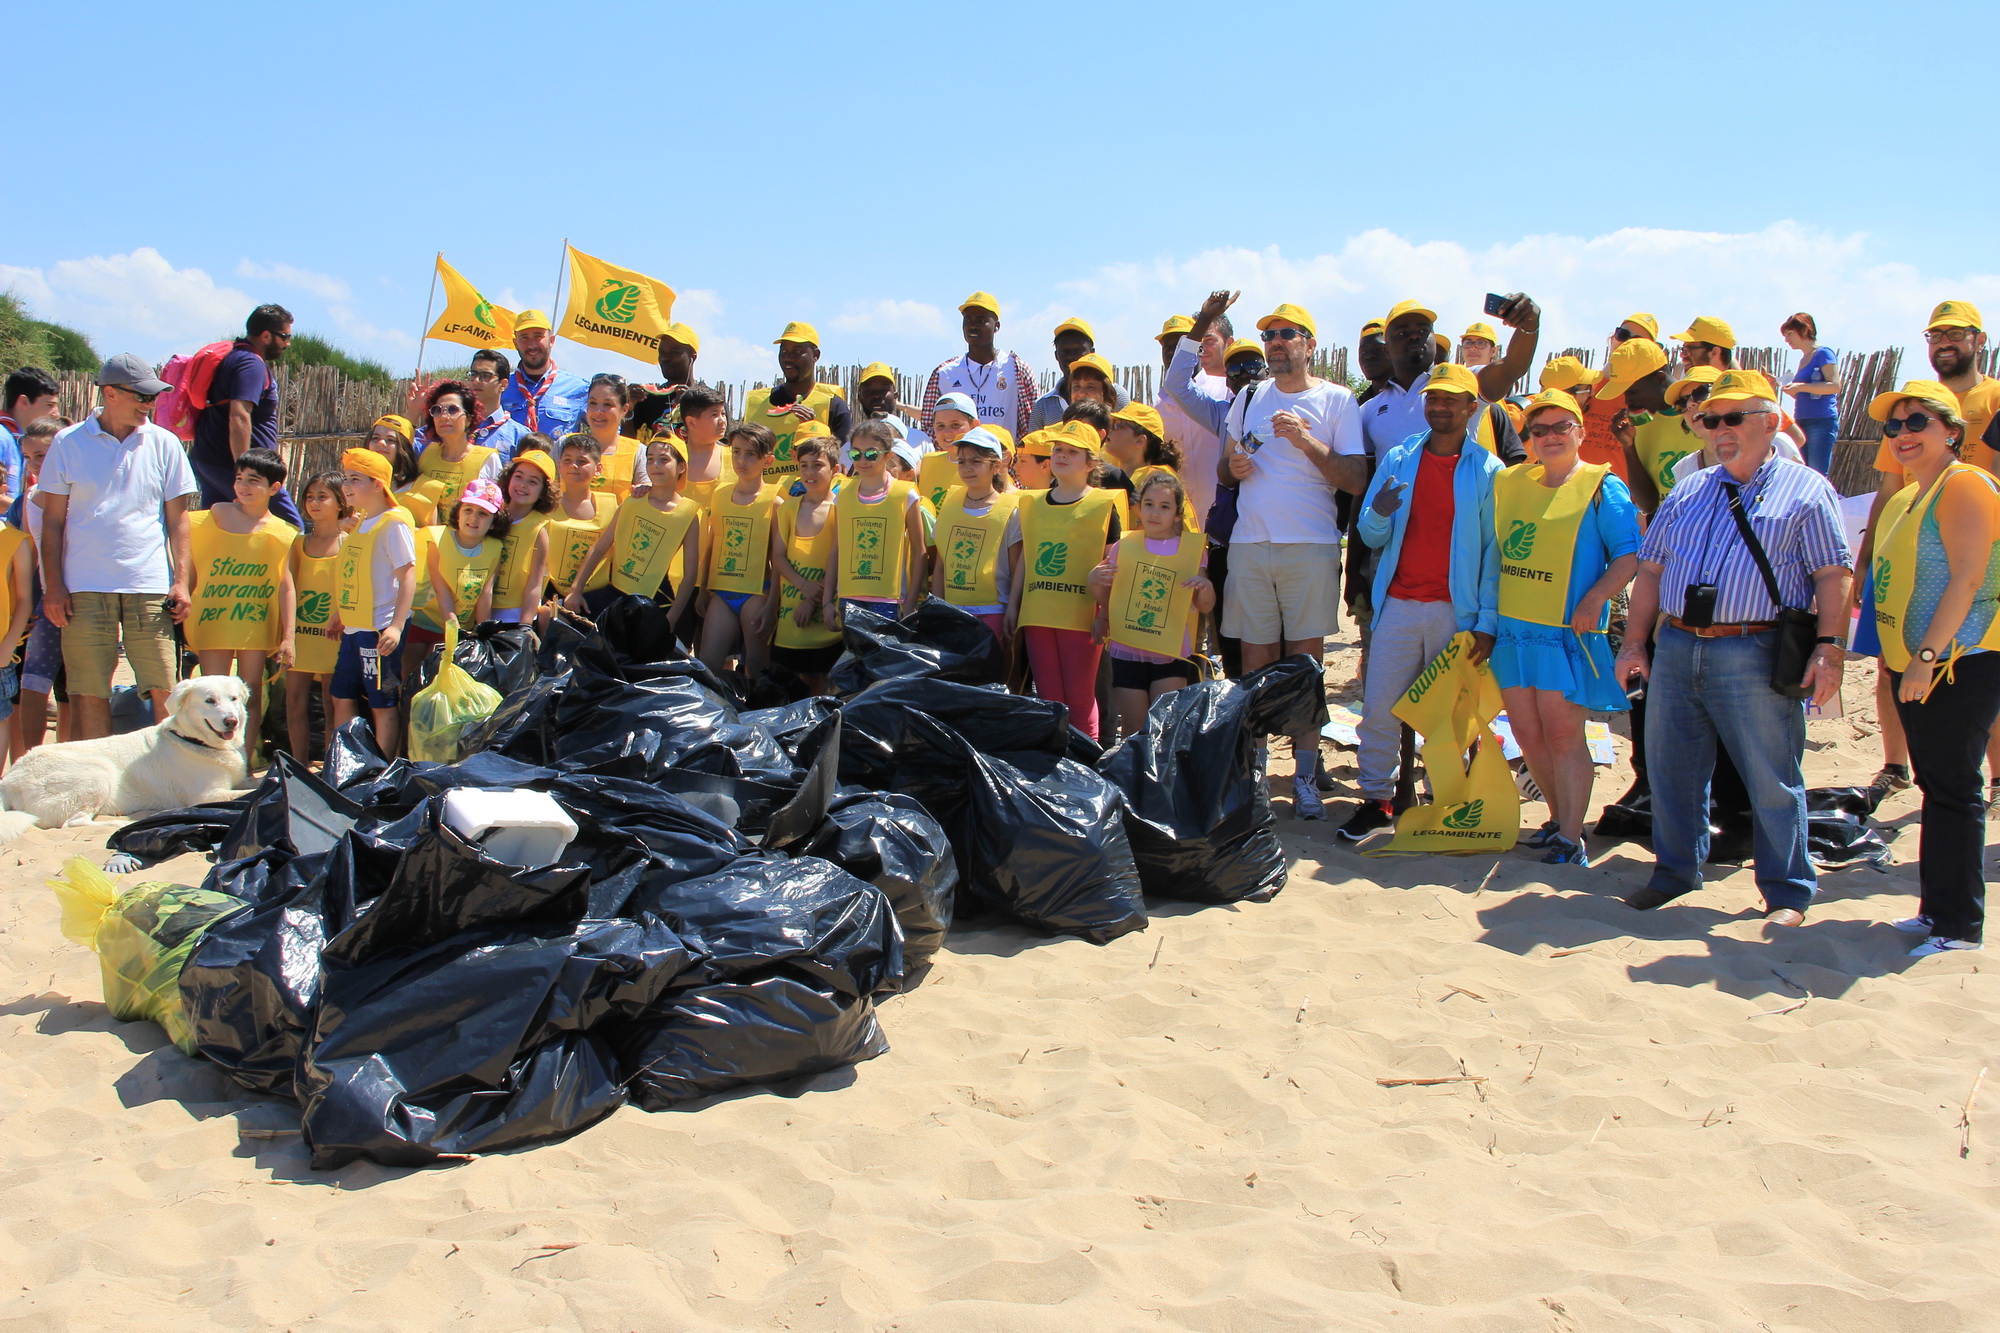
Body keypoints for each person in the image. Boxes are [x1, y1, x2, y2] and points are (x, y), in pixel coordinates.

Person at [1615, 370, 1851, 925]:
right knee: (1672, 772)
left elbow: (1832, 575)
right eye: (1710, 419)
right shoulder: (1690, 488)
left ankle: (1788, 893)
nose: (1718, 429)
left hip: (1754, 647)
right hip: (1675, 643)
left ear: (1770, 422)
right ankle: (1674, 873)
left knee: (1771, 777)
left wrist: (1829, 649)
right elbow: (1649, 572)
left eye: (1732, 417)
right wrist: (1633, 643)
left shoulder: (1807, 489)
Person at [1189, 293, 1365, 816]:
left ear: (1309, 345)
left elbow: (1356, 480)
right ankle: (1259, 771)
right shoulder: (1248, 398)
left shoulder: (1337, 400)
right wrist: (1233, 470)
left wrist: (1308, 443)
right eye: (1269, 335)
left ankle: (1307, 777)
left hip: (1310, 544)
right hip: (1250, 545)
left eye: (1287, 335)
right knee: (1256, 662)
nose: (1276, 344)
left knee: (1305, 665)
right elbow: (1225, 470)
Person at [1865, 379, 2000, 956]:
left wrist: (1924, 657)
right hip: (1918, 666)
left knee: (1956, 791)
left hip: (1959, 664)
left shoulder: (1965, 484)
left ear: (1952, 431)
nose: (1902, 434)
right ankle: (1936, 912)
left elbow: (1969, 579)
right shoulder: (1910, 495)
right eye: (1894, 426)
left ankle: (1959, 926)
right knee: (1937, 788)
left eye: (1917, 422)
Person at [1344, 362, 1504, 840]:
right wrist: (1378, 512)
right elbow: (1371, 533)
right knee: (1378, 708)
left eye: (1451, 400)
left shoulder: (1489, 470)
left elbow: (1495, 556)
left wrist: (1488, 622)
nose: (1439, 407)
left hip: (1458, 613)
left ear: (1471, 408)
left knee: (1449, 717)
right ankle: (1377, 800)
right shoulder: (1398, 458)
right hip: (1397, 604)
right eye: (1433, 399)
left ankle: (1445, 803)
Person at [1489, 389, 1642, 865]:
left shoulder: (1601, 485)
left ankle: (1572, 839)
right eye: (1539, 430)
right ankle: (1559, 820)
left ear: (1579, 431)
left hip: (1565, 633)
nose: (1550, 436)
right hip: (1514, 630)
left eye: (1561, 427)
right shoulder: (1511, 482)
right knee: (1527, 733)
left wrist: (1595, 597)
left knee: (1562, 736)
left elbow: (1629, 556)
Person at [1861, 301, 2000, 802]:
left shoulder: (1994, 397)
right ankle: (1896, 765)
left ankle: (1995, 777)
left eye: (1955, 333)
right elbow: (1889, 487)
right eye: (1934, 333)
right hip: (1911, 543)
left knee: (1974, 661)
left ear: (1978, 340)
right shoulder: (1908, 410)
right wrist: (1865, 558)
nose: (1943, 341)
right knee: (1890, 662)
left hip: (1977, 551)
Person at [34, 354, 197, 740]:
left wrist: (181, 582)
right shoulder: (67, 442)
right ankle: (101, 790)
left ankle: (168, 787)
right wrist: (53, 587)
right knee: (89, 691)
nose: (149, 403)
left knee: (165, 690)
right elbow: (52, 522)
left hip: (150, 584)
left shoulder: (165, 443)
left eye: (153, 395)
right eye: (141, 395)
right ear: (110, 392)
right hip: (83, 586)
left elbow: (179, 521)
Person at [1008, 421, 1122, 741]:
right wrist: (1014, 607)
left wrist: (1106, 615)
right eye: (1058, 449)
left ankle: (1086, 769)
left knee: (1081, 697)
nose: (1061, 456)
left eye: (1072, 452)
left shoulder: (1103, 505)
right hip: (1038, 614)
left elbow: (1112, 567)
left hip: (1081, 617)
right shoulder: (1030, 502)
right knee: (1049, 698)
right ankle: (1058, 769)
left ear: (1090, 463)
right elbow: (1027, 561)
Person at [184, 447, 298, 750]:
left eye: (253, 480)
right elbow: (192, 564)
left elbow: (286, 586)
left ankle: (244, 760)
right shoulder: (212, 516)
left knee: (250, 694)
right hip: (213, 618)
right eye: (239, 479)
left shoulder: (281, 532)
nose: (243, 487)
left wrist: (289, 637)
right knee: (212, 693)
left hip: (254, 621)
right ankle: (210, 758)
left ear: (274, 488)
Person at [1089, 471, 1214, 738]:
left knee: (1163, 729)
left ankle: (1160, 781)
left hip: (1169, 650)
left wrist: (1205, 588)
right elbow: (1110, 598)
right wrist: (1094, 580)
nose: (1155, 513)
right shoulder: (1124, 546)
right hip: (1127, 648)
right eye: (1149, 504)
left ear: (1178, 514)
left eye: (1164, 507)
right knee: (1134, 730)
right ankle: (1135, 779)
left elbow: (1206, 606)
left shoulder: (1191, 551)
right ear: (1138, 507)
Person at [1361, 296, 1542, 464]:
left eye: (1423, 330)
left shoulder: (1463, 382)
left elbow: (1511, 368)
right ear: (1387, 350)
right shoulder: (1368, 410)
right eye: (1402, 333)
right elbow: (1366, 479)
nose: (1415, 336)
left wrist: (1528, 325)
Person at [565, 436, 702, 632]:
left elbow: (690, 575)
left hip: (654, 600)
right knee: (557, 615)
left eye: (664, 459)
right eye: (650, 459)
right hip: (615, 592)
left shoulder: (688, 514)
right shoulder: (634, 500)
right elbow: (600, 546)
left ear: (681, 467)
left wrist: (671, 618)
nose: (655, 465)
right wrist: (576, 590)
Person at [330, 448, 417, 756]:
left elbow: (408, 576)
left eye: (355, 479)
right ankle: (347, 763)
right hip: (355, 627)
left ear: (378, 484)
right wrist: (339, 613)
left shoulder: (393, 524)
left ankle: (379, 773)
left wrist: (395, 626)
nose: (346, 486)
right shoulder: (363, 521)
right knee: (342, 695)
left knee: (382, 703)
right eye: (346, 478)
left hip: (380, 629)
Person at [190, 304, 303, 529]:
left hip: (210, 459)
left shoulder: (233, 356)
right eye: (285, 336)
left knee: (219, 531)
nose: (288, 343)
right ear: (266, 336)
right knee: (291, 529)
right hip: (239, 467)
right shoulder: (251, 364)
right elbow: (239, 415)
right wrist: (246, 471)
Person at [698, 423, 779, 681]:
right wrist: (703, 590)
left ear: (768, 460)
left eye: (750, 454)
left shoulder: (775, 500)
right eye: (736, 452)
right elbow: (713, 543)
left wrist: (773, 604)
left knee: (755, 667)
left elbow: (778, 559)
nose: (741, 460)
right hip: (722, 591)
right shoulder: (720, 494)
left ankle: (757, 719)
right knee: (708, 663)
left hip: (756, 592)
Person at [827, 420, 928, 624]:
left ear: (888, 455)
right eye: (856, 454)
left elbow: (920, 551)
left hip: (891, 601)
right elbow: (836, 549)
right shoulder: (842, 494)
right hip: (850, 598)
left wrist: (910, 603)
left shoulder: (905, 494)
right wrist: (827, 600)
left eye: (871, 454)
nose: (863, 460)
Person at [10, 416, 67, 754]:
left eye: (42, 455)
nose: (35, 463)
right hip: (44, 603)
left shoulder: (84, 492)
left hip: (86, 598)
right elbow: (25, 558)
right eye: (30, 457)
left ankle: (68, 765)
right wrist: (24, 605)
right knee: (32, 681)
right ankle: (28, 763)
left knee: (73, 689)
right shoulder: (28, 499)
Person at [931, 427, 1020, 641]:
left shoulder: (1011, 509)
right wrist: (937, 607)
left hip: (993, 612)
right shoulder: (950, 503)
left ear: (996, 466)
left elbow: (1017, 570)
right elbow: (941, 564)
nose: (967, 468)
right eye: (962, 462)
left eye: (976, 462)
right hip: (952, 610)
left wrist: (1013, 609)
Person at [769, 437, 843, 693]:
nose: (809, 472)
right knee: (789, 688)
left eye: (817, 465)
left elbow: (841, 561)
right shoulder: (788, 509)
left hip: (827, 620)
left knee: (821, 688)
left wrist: (812, 599)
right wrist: (803, 586)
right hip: (790, 621)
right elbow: (778, 557)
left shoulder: (841, 509)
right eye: (804, 465)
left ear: (836, 469)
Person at [285, 470, 347, 763]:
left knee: (332, 705)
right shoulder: (297, 543)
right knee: (294, 702)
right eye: (310, 496)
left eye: (323, 496)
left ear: (340, 502)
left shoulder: (349, 543)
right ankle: (299, 764)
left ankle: (331, 765)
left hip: (333, 635)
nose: (314, 503)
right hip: (300, 635)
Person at [744, 322, 853, 483]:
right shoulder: (757, 404)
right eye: (784, 351)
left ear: (815, 355)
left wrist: (813, 431)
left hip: (815, 502)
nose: (788, 357)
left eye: (797, 352)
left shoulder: (832, 405)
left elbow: (845, 465)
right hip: (766, 501)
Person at [922, 292, 1038, 440]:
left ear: (996, 326)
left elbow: (1031, 423)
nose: (972, 326)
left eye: (981, 320)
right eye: (968, 320)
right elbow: (928, 427)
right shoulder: (945, 373)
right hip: (956, 460)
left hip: (1004, 460)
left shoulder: (1017, 370)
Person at [426, 479, 507, 632]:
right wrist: (454, 632)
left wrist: (482, 634)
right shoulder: (438, 540)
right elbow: (441, 591)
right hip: (426, 622)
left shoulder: (494, 549)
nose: (473, 518)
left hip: (463, 628)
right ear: (458, 513)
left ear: (493, 523)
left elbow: (486, 594)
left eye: (483, 514)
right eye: (468, 510)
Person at [413, 380, 504, 515]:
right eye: (437, 410)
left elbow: (498, 509)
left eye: (452, 410)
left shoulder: (488, 459)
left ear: (469, 419)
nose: (444, 416)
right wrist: (412, 411)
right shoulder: (426, 454)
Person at [543, 436, 615, 606]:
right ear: (559, 466)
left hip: (597, 595)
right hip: (549, 592)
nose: (573, 465)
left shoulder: (613, 505)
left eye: (582, 461)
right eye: (567, 460)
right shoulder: (545, 505)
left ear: (598, 469)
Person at [1029, 317, 1131, 431]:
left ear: (1092, 352)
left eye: (1078, 350)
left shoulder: (1118, 396)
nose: (1071, 356)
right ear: (1056, 356)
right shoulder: (1043, 406)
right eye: (1065, 351)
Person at [489, 450, 555, 625]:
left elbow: (535, 583)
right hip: (481, 611)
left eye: (533, 482)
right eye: (518, 476)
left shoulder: (539, 528)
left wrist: (524, 626)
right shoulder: (490, 514)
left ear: (543, 490)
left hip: (514, 615)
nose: (523, 485)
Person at [501, 310, 589, 439]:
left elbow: (606, 430)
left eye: (538, 336)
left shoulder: (579, 388)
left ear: (552, 340)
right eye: (524, 337)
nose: (531, 345)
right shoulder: (501, 388)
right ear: (515, 343)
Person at [574, 375, 649, 506]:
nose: (598, 411)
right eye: (593, 403)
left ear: (624, 409)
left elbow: (648, 491)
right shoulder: (565, 445)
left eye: (608, 404)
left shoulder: (638, 451)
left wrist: (645, 488)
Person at [1780, 314, 1841, 476]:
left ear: (1805, 330)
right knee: (1802, 472)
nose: (1787, 339)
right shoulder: (1803, 359)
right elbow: (1807, 393)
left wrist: (1801, 387)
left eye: (1790, 334)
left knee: (1816, 473)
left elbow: (1834, 385)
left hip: (1821, 420)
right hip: (1802, 420)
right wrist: (1795, 390)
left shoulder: (1823, 353)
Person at [0, 487, 34, 767]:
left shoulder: (13, 541)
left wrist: (9, 645)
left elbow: (24, 599)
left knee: (1, 717)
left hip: (1, 652)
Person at [629, 323, 703, 442]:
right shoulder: (646, 400)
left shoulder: (709, 401)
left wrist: (687, 409)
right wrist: (629, 409)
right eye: (662, 352)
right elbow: (627, 444)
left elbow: (719, 446)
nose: (665, 358)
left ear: (692, 357)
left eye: (673, 353)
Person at [0, 366, 59, 511]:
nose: (56, 414)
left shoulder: (19, 440)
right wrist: (32, 513)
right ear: (24, 402)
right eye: (49, 405)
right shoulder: (2, 438)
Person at [463, 349, 530, 463]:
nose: (476, 380)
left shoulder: (519, 435)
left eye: (485, 376)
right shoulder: (454, 424)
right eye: (473, 374)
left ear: (503, 385)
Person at [1670, 316, 1735, 372]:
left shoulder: (1736, 386)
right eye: (1683, 349)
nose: (1682, 355)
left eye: (1689, 349)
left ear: (1714, 352)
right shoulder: (1681, 375)